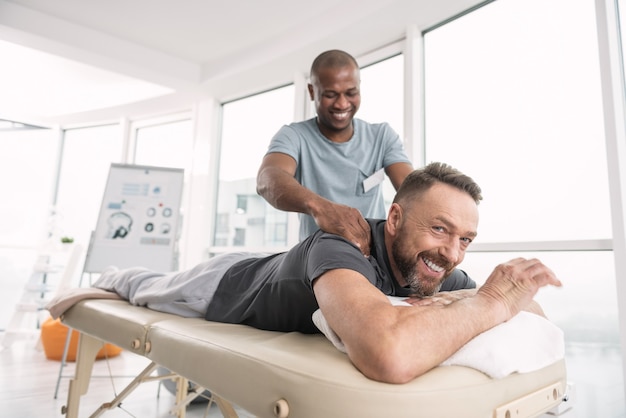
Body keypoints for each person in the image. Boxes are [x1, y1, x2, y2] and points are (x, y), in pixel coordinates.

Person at [93, 162, 561, 384]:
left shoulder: (435, 268)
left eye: (465, 240)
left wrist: (506, 295)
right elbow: (389, 355)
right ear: (394, 220)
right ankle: (111, 273)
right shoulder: (342, 245)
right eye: (439, 229)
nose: (453, 254)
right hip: (223, 285)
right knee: (143, 287)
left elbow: (528, 312)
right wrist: (491, 302)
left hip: (273, 267)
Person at [256, 49, 414, 255]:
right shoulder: (293, 136)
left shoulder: (382, 136)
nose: (342, 104)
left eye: (351, 93)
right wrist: (321, 207)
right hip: (318, 257)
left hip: (373, 257)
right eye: (330, 95)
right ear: (312, 92)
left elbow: (413, 191)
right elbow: (267, 179)